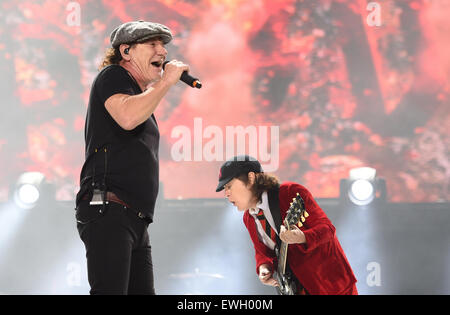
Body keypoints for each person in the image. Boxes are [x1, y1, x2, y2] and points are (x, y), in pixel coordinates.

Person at [75, 20, 189, 295]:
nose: (162, 52)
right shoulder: (112, 76)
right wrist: (165, 82)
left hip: (134, 218)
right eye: (152, 44)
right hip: (110, 209)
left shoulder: (140, 95)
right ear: (126, 52)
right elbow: (127, 117)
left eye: (163, 45)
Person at [216, 155, 358, 295]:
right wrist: (264, 267)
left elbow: (328, 230)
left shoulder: (290, 192)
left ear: (251, 178)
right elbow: (262, 252)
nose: (226, 194)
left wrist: (302, 237)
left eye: (229, 186)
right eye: (224, 189)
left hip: (330, 285)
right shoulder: (248, 217)